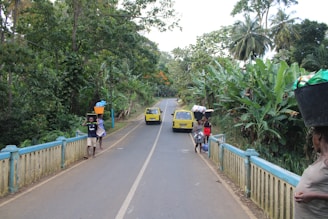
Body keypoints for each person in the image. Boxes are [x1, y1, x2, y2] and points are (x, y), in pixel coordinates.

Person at [294, 126, 328, 218]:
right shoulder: (320, 158)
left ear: (318, 136)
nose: (312, 143)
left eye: (313, 136)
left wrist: (314, 195)